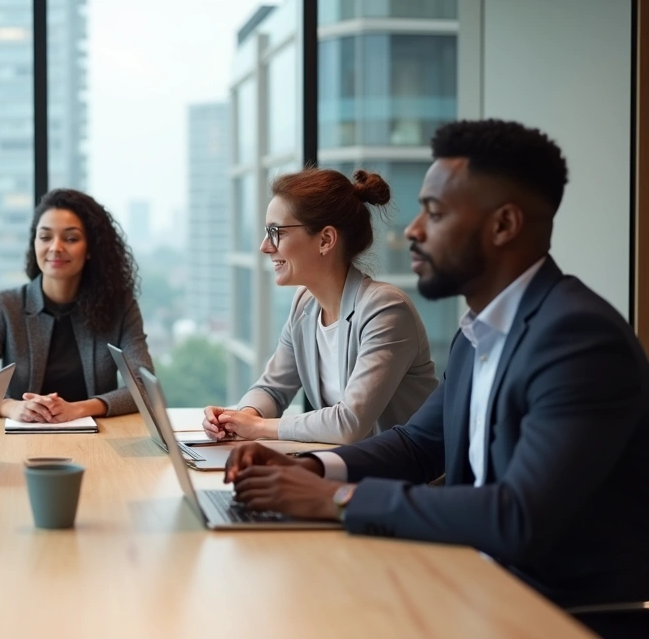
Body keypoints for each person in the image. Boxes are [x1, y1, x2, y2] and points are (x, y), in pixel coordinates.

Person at [224, 119, 649, 613]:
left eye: (436, 212)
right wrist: (311, 468)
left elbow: (518, 516)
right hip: (475, 588)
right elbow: (418, 444)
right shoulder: (479, 334)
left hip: (559, 616)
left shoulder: (577, 339)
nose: (413, 230)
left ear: (503, 225)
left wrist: (335, 499)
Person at [203, 169, 438, 445]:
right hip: (345, 471)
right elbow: (272, 389)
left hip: (404, 481)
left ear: (325, 240)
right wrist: (239, 418)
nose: (265, 247)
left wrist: (256, 427)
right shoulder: (305, 306)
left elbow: (348, 423)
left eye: (275, 232)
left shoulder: (385, 310)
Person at [0, 188, 153, 423]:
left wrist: (79, 409)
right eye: (45, 237)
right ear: (34, 243)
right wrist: (11, 407)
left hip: (98, 441)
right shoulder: (4, 306)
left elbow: (144, 387)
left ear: (90, 248)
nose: (55, 247)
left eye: (71, 238)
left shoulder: (120, 307)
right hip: (21, 439)